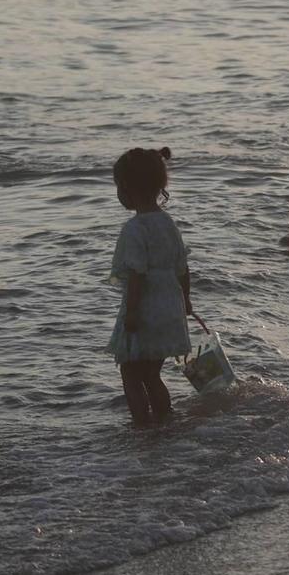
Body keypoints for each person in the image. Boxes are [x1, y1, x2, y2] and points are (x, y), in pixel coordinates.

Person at [108, 147, 195, 427]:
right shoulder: (167, 223)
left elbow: (137, 275)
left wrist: (132, 312)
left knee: (131, 374)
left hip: (144, 310)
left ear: (127, 189)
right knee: (152, 374)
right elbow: (182, 268)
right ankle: (164, 420)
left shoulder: (134, 229)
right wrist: (186, 303)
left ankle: (142, 426)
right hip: (169, 307)